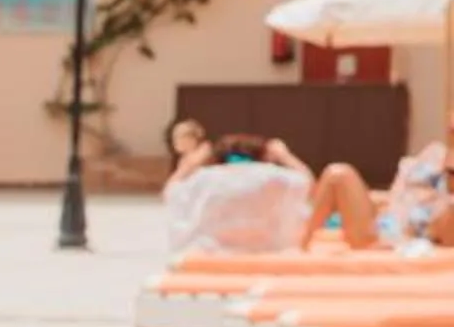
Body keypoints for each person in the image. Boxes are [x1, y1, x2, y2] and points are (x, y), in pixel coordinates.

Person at [162, 116, 448, 251]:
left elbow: (171, 195)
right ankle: (304, 241)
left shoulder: (207, 179)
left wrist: (187, 167)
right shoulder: (272, 178)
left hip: (387, 235)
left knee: (338, 174)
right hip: (390, 228)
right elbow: (306, 182)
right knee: (345, 180)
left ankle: (304, 243)